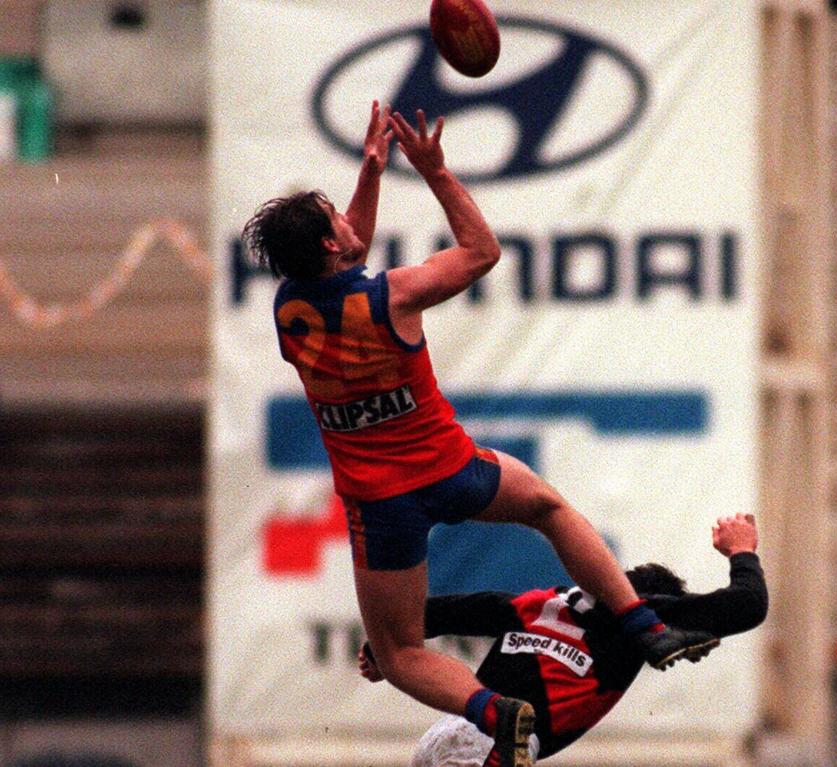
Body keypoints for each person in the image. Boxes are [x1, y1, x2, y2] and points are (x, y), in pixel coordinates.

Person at [241, 101, 718, 767]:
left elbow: (344, 262)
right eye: (337, 221)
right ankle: (643, 624)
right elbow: (480, 251)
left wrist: (371, 176)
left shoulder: (289, 308)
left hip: (380, 503)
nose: (350, 225)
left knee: (399, 651)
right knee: (549, 509)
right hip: (448, 466)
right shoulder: (395, 296)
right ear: (329, 242)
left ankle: (495, 711)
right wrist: (433, 171)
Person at [359, 513, 768, 766]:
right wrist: (742, 551)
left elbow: (440, 612)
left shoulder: (540, 602)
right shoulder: (639, 616)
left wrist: (383, 651)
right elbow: (748, 605)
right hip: (496, 745)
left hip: (445, 735)